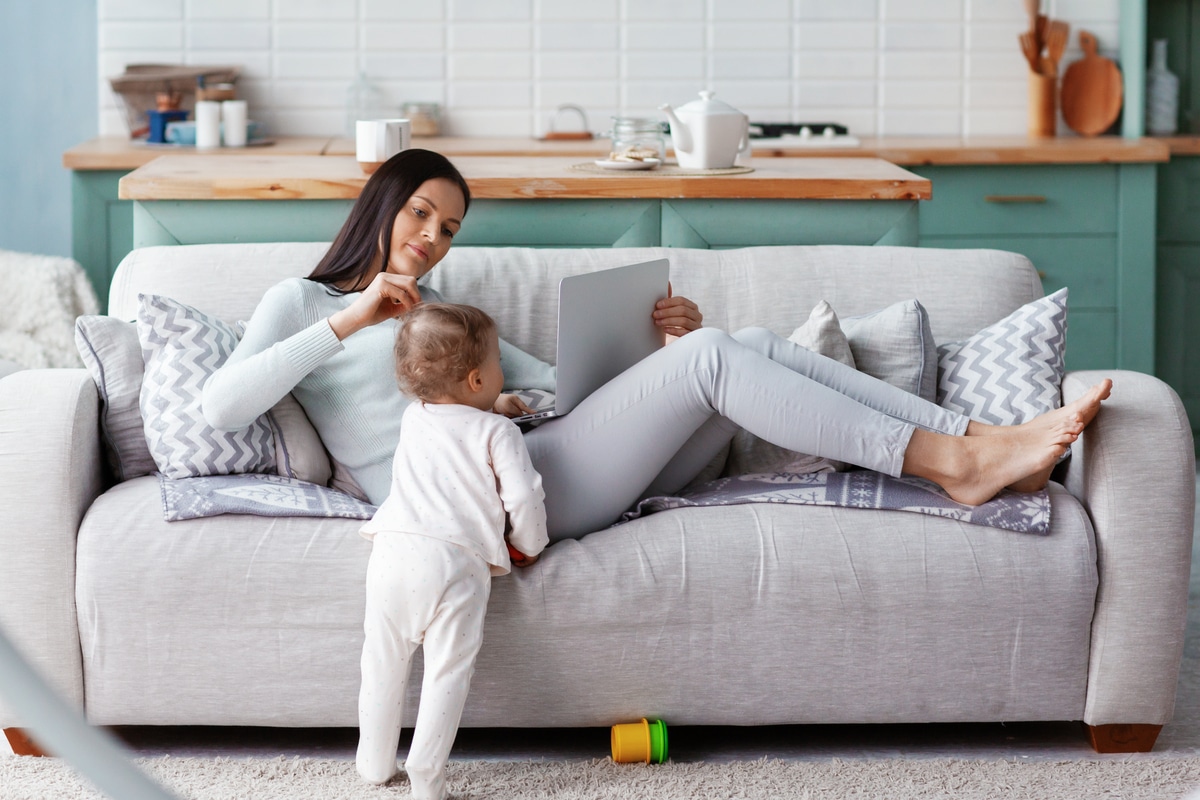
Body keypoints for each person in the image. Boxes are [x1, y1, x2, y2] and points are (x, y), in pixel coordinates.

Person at [203, 148, 1112, 543]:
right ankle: (953, 463)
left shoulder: (444, 306)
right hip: (488, 496)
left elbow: (559, 388)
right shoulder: (302, 302)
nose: (431, 239)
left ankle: (975, 442)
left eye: (447, 229)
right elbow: (221, 407)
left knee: (728, 341)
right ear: (380, 208)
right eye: (419, 215)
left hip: (545, 456)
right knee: (718, 358)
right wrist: (350, 321)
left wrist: (653, 354)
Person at [355, 302, 547, 797]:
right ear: (478, 381)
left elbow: (453, 418)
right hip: (454, 562)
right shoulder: (499, 432)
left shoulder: (414, 417)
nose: (503, 371)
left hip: (392, 551)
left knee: (382, 661)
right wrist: (529, 544)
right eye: (498, 362)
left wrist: (490, 402)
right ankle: (426, 776)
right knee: (447, 671)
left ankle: (374, 763)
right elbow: (522, 496)